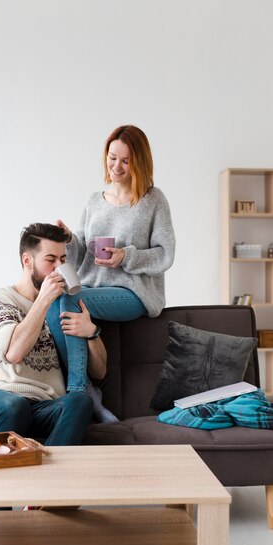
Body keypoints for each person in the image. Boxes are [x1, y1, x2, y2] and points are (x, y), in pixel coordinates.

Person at [49, 124, 175, 422]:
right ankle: (91, 397)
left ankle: (79, 394)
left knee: (70, 301)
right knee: (55, 302)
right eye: (112, 157)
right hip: (96, 288)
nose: (116, 166)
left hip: (135, 293)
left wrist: (125, 257)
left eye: (125, 160)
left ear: (139, 162)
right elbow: (80, 253)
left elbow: (165, 253)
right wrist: (68, 237)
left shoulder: (153, 200)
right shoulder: (94, 201)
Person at [0, 222, 107, 445]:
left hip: (43, 405)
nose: (58, 267)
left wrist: (92, 333)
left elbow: (99, 372)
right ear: (27, 261)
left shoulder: (65, 306)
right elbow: (13, 354)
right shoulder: (1, 299)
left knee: (80, 402)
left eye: (63, 260)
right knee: (15, 406)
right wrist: (44, 300)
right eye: (51, 260)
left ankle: (50, 472)